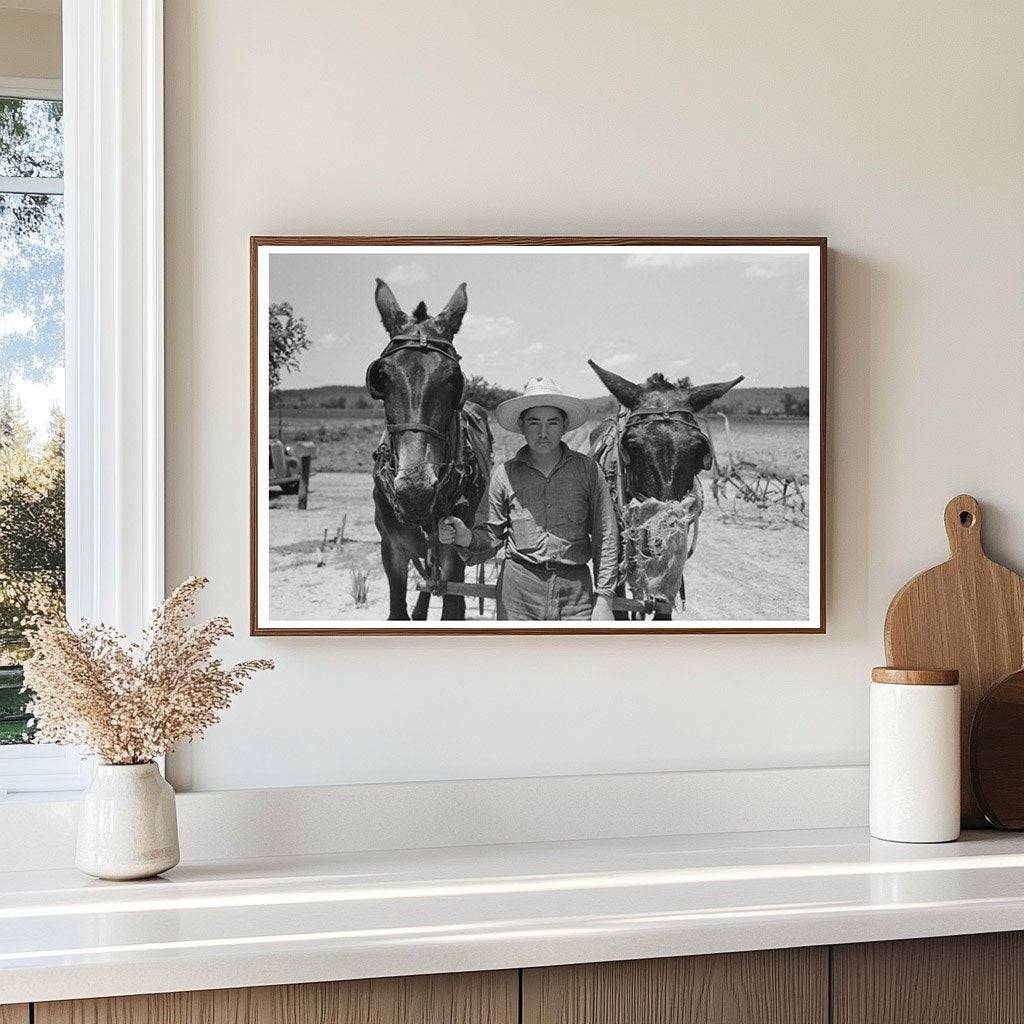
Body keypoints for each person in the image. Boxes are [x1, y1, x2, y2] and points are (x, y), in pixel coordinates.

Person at [438, 377, 618, 621]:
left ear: (565, 426)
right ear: (522, 426)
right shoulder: (504, 475)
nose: (543, 433)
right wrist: (465, 537)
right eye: (534, 423)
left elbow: (605, 535)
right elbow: (491, 535)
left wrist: (605, 599)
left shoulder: (588, 471)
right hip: (518, 595)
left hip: (575, 595)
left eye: (552, 422)